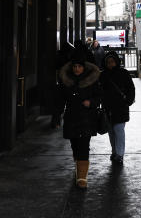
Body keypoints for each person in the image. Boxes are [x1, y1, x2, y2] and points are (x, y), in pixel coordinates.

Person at [59, 50, 103, 188]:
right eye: (74, 66)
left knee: (84, 145)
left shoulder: (92, 81)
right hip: (71, 117)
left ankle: (82, 178)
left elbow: (99, 97)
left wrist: (91, 102)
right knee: (75, 145)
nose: (77, 69)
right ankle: (78, 166)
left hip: (87, 118)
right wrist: (55, 117)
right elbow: (59, 100)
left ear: (84, 67)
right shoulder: (66, 81)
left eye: (79, 66)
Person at [100, 51, 135, 167]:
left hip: (120, 107)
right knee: (111, 132)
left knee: (118, 131)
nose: (110, 64)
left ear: (116, 62)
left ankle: (119, 154)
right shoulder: (103, 75)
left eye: (112, 62)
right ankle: (115, 152)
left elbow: (131, 88)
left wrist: (128, 101)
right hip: (109, 108)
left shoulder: (123, 73)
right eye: (108, 62)